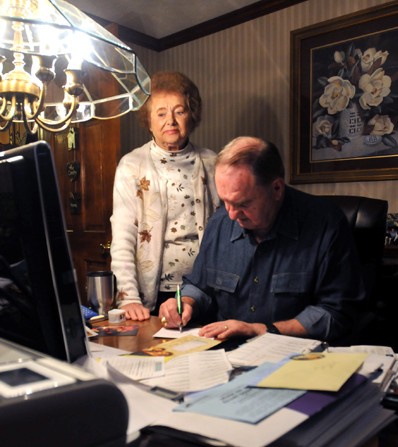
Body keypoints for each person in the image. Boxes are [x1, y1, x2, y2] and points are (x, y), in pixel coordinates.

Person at [159, 136, 366, 343]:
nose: (231, 215)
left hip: (295, 357)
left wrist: (259, 330)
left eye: (242, 204)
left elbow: (336, 313)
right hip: (225, 355)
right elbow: (200, 286)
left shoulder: (325, 225)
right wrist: (186, 302)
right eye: (225, 202)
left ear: (276, 188)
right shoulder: (220, 222)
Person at [110, 71, 220, 321]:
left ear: (192, 116)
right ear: (148, 120)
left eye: (179, 111)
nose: (170, 120)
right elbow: (123, 234)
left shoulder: (213, 163)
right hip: (155, 292)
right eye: (161, 113)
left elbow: (227, 230)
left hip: (205, 290)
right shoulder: (132, 165)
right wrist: (128, 297)